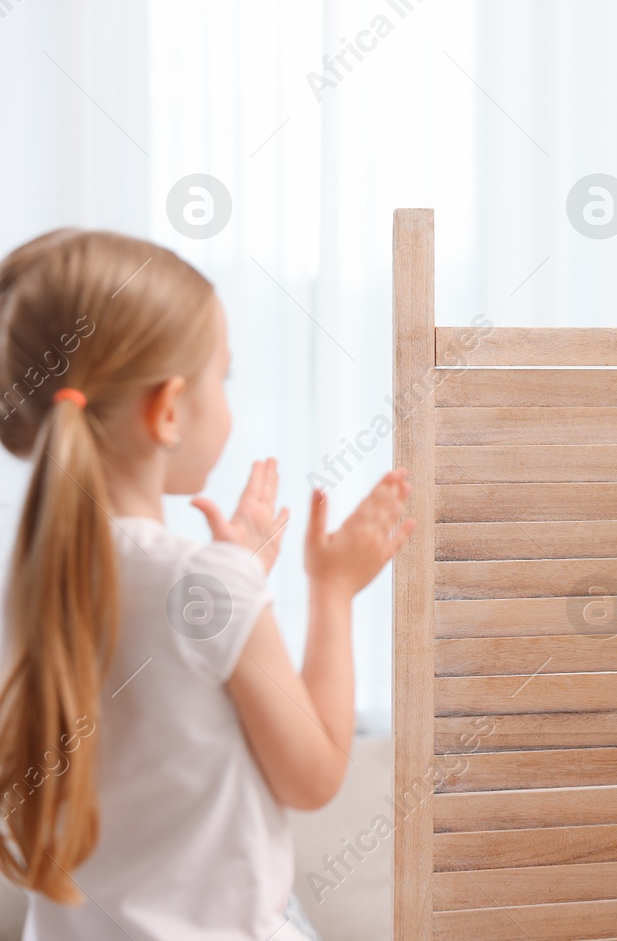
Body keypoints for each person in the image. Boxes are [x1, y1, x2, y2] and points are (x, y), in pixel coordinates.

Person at [0, 229, 414, 940]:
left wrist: (237, 579)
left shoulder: (30, 585)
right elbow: (312, 775)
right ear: (167, 410)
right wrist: (332, 590)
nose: (229, 398)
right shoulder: (203, 583)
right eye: (224, 376)